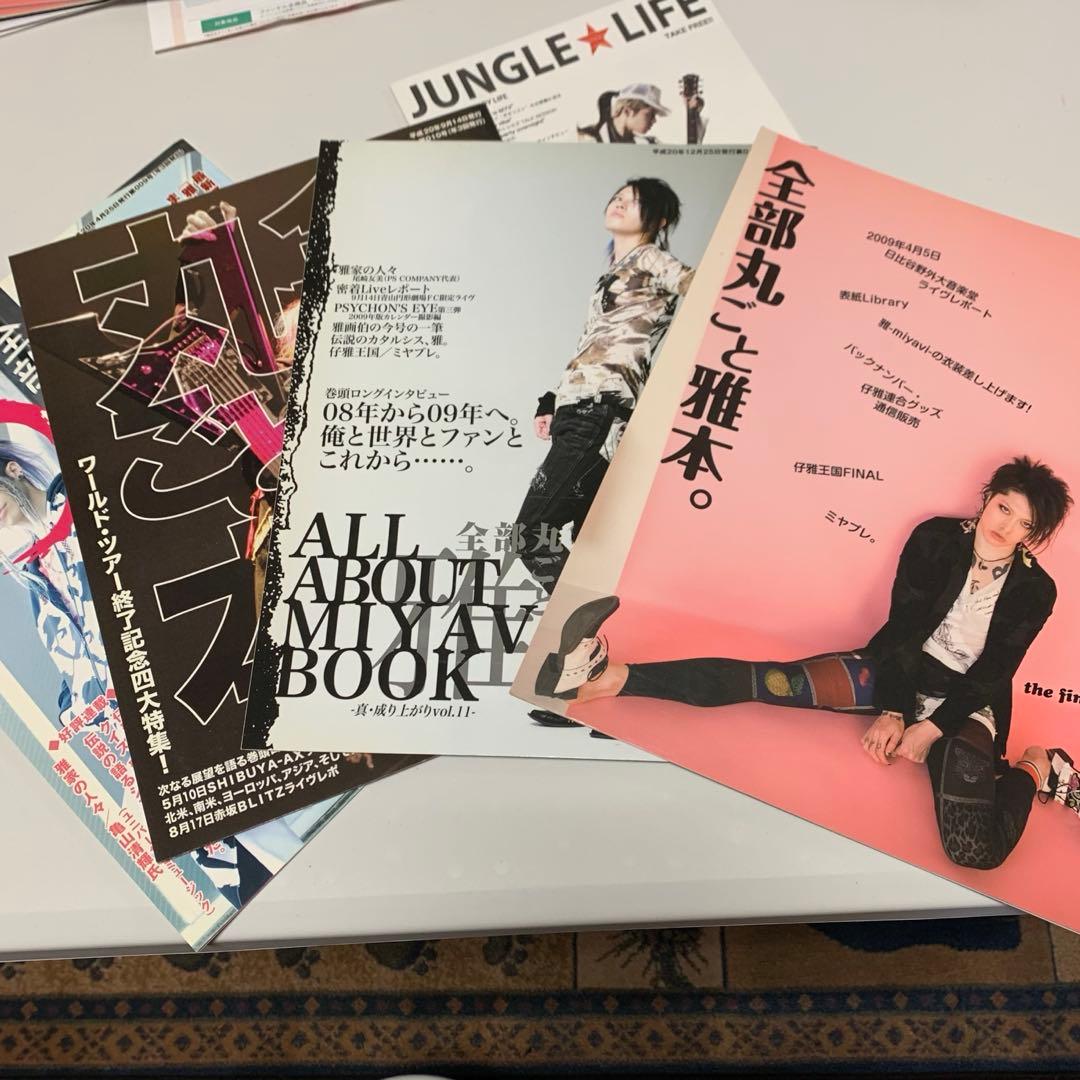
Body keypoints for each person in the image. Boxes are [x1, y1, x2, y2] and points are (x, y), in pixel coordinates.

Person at [535, 458, 1079, 868]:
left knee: (973, 850)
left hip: (965, 703)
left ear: (1033, 535)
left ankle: (1038, 767)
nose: (1005, 526)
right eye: (1003, 507)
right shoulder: (937, 538)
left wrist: (932, 728)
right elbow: (903, 630)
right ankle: (603, 678)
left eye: (1023, 523)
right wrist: (893, 710)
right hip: (899, 670)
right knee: (771, 680)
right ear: (988, 498)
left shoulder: (1036, 589)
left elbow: (994, 672)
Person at [513, 177, 694, 733]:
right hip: (580, 406)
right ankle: (594, 689)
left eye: (635, 199)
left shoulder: (652, 260)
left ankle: (586, 650)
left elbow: (703, 289)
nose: (619, 200)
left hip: (602, 411)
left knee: (532, 534)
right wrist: (551, 399)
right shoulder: (613, 273)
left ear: (658, 219)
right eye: (618, 193)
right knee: (589, 550)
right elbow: (593, 342)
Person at [0, 437, 110, 726]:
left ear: (13, 470)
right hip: (127, 723)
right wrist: (70, 710)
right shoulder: (34, 576)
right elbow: (70, 660)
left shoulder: (78, 497)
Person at [577, 83, 705, 144]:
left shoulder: (650, 145)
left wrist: (693, 115)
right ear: (628, 111)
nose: (654, 120)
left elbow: (685, 161)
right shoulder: (584, 139)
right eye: (650, 114)